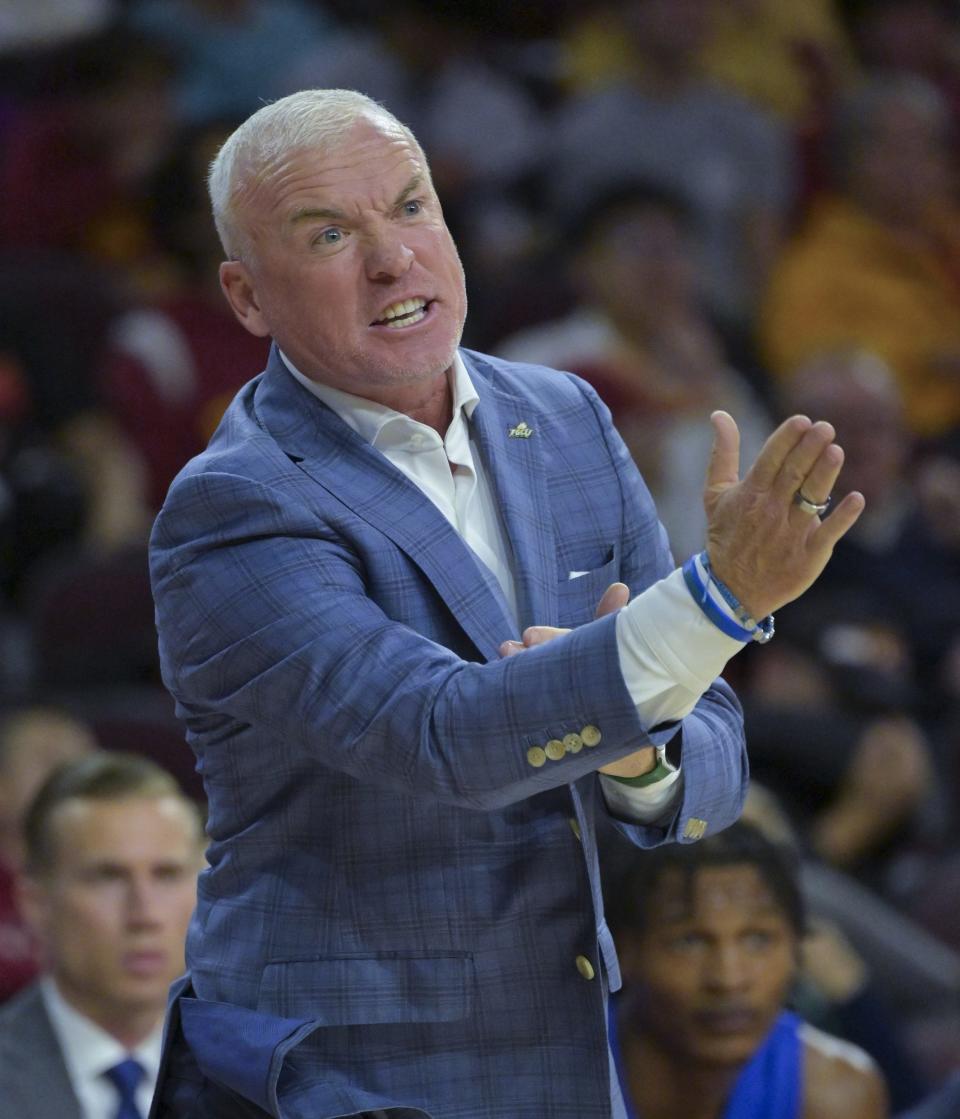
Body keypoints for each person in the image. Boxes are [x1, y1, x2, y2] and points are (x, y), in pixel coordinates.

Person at [148, 88, 864, 1118]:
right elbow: (443, 737)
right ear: (249, 296)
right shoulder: (236, 507)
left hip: (567, 1057)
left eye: (410, 207)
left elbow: (712, 747)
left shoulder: (565, 416)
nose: (393, 258)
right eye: (328, 234)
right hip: (344, 1074)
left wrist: (636, 756)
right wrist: (716, 601)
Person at [605, 820, 889, 1118]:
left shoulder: (834, 1095)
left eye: (758, 939)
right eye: (689, 941)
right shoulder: (557, 1075)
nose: (729, 979)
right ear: (623, 952)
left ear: (796, 948)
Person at [0, 751, 203, 1118]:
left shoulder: (257, 1081)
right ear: (35, 902)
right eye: (107, 876)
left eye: (167, 874)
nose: (145, 914)